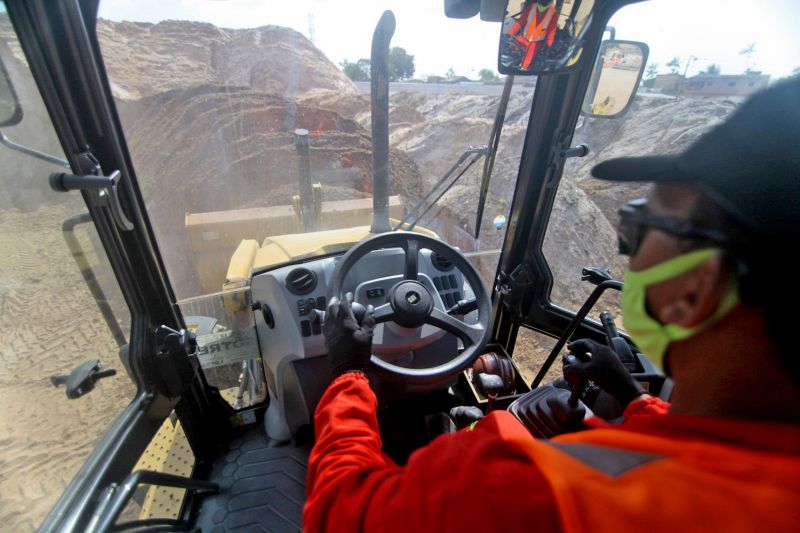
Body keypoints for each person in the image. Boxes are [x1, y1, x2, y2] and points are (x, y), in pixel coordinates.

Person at [303, 78, 800, 531]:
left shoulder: (529, 488)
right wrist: (633, 400)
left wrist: (350, 373)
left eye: (637, 226)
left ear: (696, 286)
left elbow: (341, 513)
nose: (628, 248)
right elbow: (700, 453)